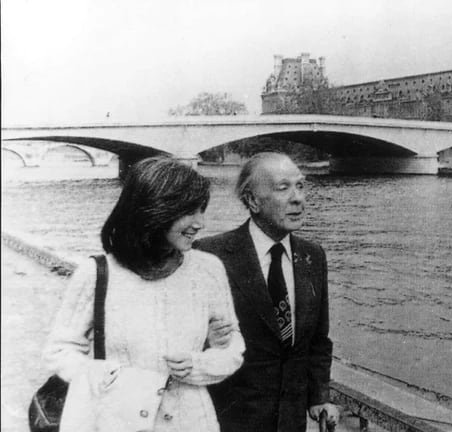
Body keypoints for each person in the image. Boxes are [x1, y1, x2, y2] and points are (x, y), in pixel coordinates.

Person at [44, 156, 245, 432]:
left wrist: (199, 365)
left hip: (191, 421)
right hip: (117, 422)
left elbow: (232, 346)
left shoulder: (208, 270)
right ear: (154, 211)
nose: (201, 224)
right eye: (190, 212)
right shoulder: (97, 273)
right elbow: (60, 349)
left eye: (202, 210)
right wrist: (110, 379)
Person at [195, 152, 337, 432]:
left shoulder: (313, 256)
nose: (298, 198)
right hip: (229, 421)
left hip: (291, 422)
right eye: (283, 188)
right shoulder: (210, 255)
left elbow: (318, 341)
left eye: (301, 186)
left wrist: (319, 396)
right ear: (252, 201)